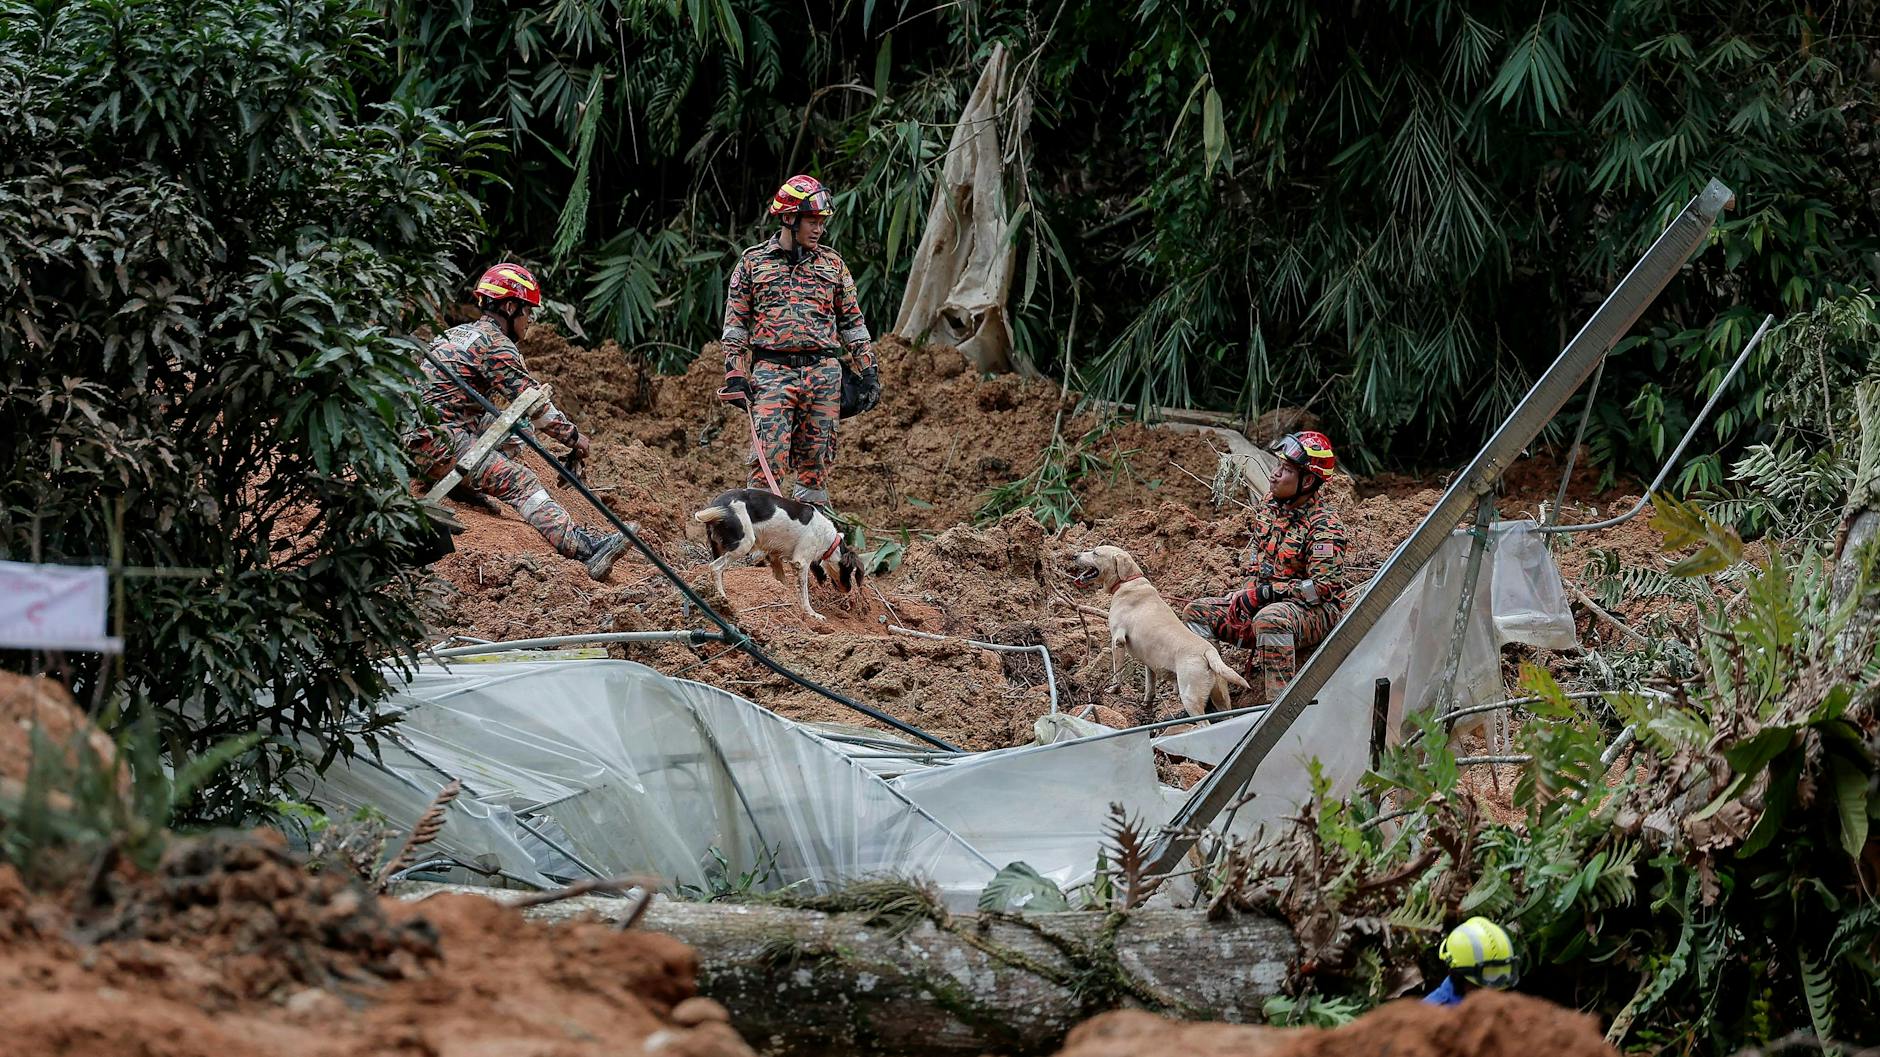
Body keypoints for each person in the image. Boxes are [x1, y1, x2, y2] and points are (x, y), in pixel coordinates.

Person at [407, 263, 626, 580]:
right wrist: (576, 439)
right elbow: (535, 407)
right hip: (442, 443)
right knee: (523, 482)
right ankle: (586, 549)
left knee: (517, 432)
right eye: (528, 312)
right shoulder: (497, 346)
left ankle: (464, 484)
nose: (530, 321)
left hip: (419, 436)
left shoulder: (454, 334)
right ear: (510, 307)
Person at [719, 174, 880, 508]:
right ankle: (762, 546)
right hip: (772, 373)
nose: (818, 229)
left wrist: (868, 371)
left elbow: (852, 323)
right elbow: (736, 325)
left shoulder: (833, 264)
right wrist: (735, 373)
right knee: (768, 460)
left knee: (816, 465)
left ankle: (811, 543)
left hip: (824, 374)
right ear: (789, 218)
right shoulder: (753, 263)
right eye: (812, 221)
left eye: (822, 222)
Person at [1181, 431, 1347, 703]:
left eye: (1286, 469)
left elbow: (1322, 589)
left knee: (1270, 619)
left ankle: (1276, 711)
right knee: (1196, 613)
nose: (1275, 474)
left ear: (1307, 481)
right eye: (1277, 465)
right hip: (1264, 604)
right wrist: (1245, 594)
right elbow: (1257, 560)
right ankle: (1212, 703)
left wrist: (1264, 595)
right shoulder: (1268, 505)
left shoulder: (1325, 526)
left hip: (1314, 613)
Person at [1424, 917, 1520, 1006]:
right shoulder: (1431, 1015)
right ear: (1460, 976)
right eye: (1490, 976)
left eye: (1504, 975)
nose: (1497, 990)